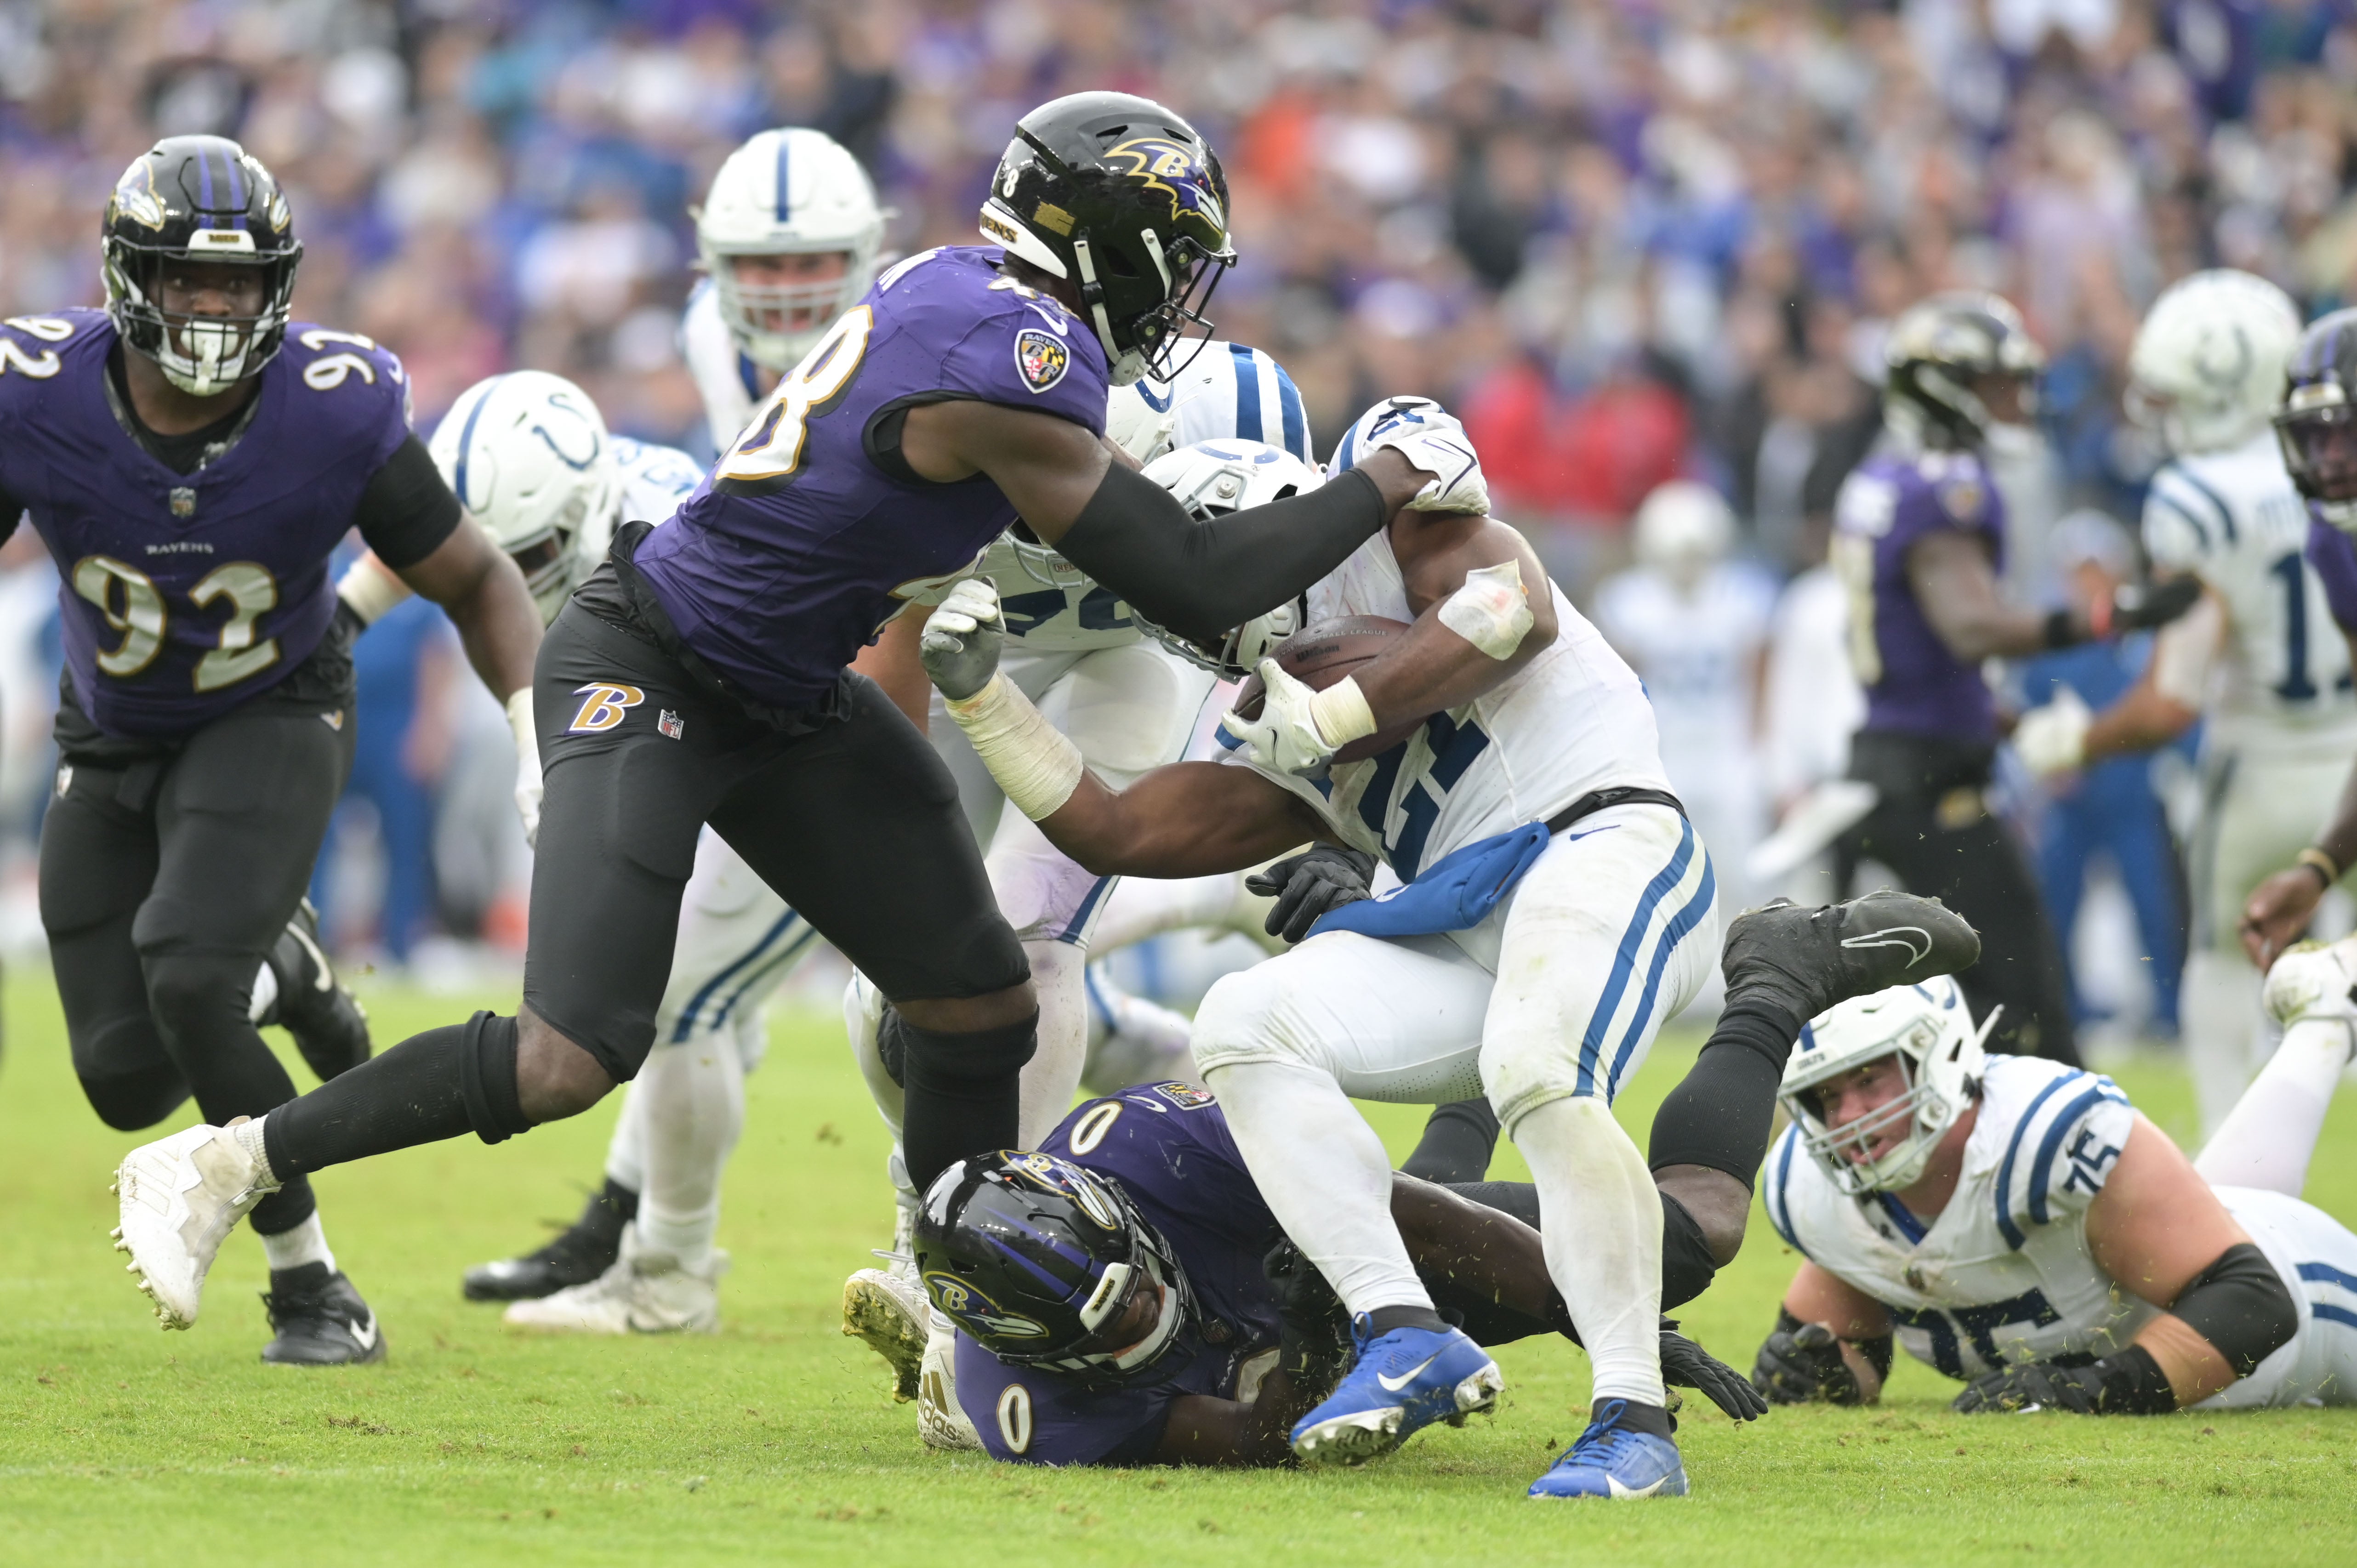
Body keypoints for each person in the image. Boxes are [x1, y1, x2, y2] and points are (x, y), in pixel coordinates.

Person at [108, 92, 1486, 1341]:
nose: (1183, 292)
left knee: (976, 1004)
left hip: (780, 686)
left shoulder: (967, 290)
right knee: (569, 1052)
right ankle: (231, 1160)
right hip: (649, 663)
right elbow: (1196, 586)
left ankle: (960, 1322)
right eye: (1174, 254)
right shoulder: (1010, 355)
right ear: (1114, 240)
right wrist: (1381, 471)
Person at [907, 420, 1979, 1496]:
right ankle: (1402, 1327)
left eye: (1197, 579)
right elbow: (1122, 832)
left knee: (1532, 1063)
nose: (1192, 623)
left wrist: (1338, 712)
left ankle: (1631, 1418)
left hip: (1599, 836)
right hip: (1462, 919)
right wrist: (984, 701)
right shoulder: (1265, 705)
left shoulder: (1401, 532)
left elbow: (1514, 606)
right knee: (1242, 1021)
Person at [15, 136, 538, 1362]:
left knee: (191, 975)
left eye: (238, 284)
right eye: (188, 281)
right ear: (128, 278)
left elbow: (471, 573)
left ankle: (313, 1287)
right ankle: (292, 973)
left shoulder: (334, 403)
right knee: (121, 1077)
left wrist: (528, 736)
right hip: (112, 733)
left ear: (278, 288)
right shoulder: (33, 392)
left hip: (275, 705)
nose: (213, 306)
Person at [338, 369, 764, 1333]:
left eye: (529, 553)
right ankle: (613, 1231)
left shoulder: (678, 534)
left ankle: (669, 1272)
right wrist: (340, 617)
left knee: (687, 1001)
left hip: (758, 758)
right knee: (688, 1004)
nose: (509, 577)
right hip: (665, 745)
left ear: (584, 512)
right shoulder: (523, 501)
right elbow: (440, 546)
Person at [907, 1091, 1764, 1468]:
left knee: (1682, 1247)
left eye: (1137, 1285)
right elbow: (1257, 1441)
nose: (1153, 1315)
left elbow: (1409, 1214)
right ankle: (1468, 1098)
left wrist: (1607, 1326)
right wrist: (1311, 1338)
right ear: (1035, 1354)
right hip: (1299, 1300)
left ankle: (1769, 984)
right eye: (1115, 1328)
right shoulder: (1040, 1411)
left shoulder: (1154, 1148)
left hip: (1340, 1241)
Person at [1828, 292, 2199, 1064]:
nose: (2014, 399)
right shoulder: (1943, 485)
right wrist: (2110, 614)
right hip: (1930, 787)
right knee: (2024, 1013)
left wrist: (2005, 722)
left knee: (1974, 1011)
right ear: (1944, 386)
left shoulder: (1884, 477)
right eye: (1996, 382)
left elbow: (1919, 654)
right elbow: (1968, 627)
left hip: (1891, 765)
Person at [1750, 957, 2356, 1413]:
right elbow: (1847, 1347)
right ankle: (2326, 1015)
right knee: (2220, 1199)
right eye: (1828, 1096)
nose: (1850, 1116)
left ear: (1938, 1058)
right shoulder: (1819, 1189)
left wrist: (2096, 1389)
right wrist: (1820, 1372)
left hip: (2306, 1290)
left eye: (1869, 1080)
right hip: (2183, 1246)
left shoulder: (2045, 1135)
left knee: (2239, 1215)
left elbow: (2254, 1304)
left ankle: (2327, 1019)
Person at [2013, 273, 2331, 1126]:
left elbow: (2171, 702)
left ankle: (2233, 1190)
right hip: (2348, 754)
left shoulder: (2197, 498)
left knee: (2223, 962)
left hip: (2261, 761)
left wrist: (2075, 741)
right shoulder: (2326, 462)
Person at [2012, 513, 2187, 1040]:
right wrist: (2040, 764)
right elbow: (2027, 714)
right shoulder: (2053, 638)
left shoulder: (2139, 635)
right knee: (2056, 908)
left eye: (2094, 570)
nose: (2085, 583)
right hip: (2071, 797)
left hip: (2131, 793)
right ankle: (2063, 1010)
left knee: (2154, 907)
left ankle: (2168, 1012)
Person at [2236, 310, 2357, 974]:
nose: (2330, 459)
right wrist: (2318, 868)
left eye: (2347, 434)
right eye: (2315, 437)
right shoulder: (2334, 540)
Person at [1593, 480, 1776, 919]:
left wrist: (1762, 743)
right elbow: (1615, 683)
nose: (1687, 567)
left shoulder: (1742, 596)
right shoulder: (1628, 601)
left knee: (1745, 868)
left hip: (1726, 746)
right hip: (1664, 749)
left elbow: (1760, 676)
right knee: (1661, 865)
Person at [679, 127, 887, 453]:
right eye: (766, 264)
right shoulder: (706, 331)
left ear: (860, 258)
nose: (788, 289)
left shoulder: (906, 353)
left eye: (812, 264)